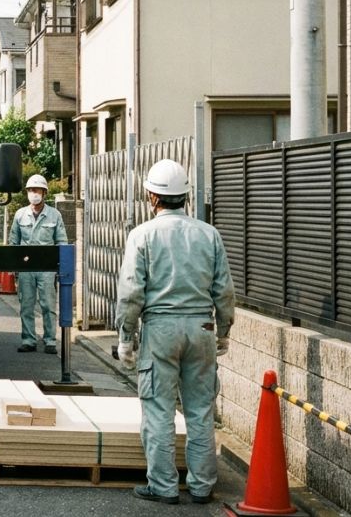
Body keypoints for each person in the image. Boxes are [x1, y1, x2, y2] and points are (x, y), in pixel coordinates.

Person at [115, 159, 235, 505]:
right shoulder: (208, 234)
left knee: (158, 410)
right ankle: (201, 486)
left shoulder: (142, 235)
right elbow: (224, 290)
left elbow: (131, 292)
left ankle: (164, 486)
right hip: (202, 327)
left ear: (152, 196)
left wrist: (126, 337)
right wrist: (223, 330)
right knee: (200, 411)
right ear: (185, 195)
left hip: (161, 329)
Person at [8, 174, 68, 353]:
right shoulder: (20, 215)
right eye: (30, 190)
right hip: (26, 268)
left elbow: (62, 242)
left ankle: (50, 340)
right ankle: (28, 340)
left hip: (46, 267)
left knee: (48, 305)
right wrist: (14, 269)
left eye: (37, 190)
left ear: (44, 192)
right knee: (26, 304)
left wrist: (60, 267)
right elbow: (13, 243)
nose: (33, 193)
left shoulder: (54, 215)